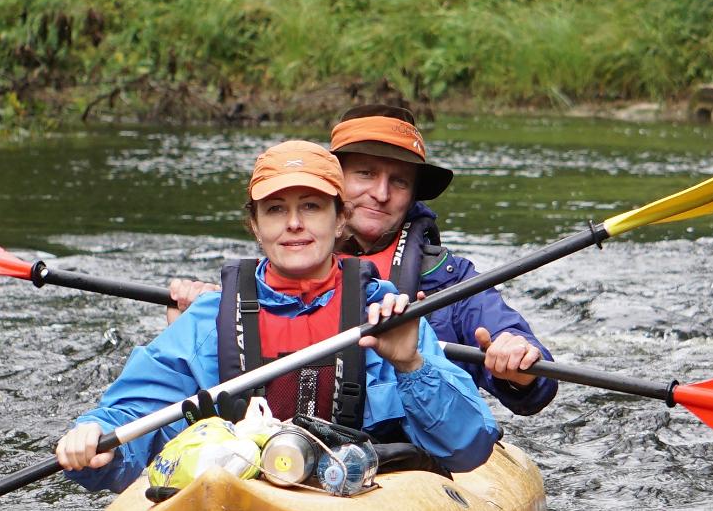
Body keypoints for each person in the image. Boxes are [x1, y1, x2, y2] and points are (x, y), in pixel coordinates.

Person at [56, 140, 498, 493]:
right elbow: (132, 413)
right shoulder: (210, 318)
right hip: (241, 494)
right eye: (275, 209)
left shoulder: (383, 314)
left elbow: (468, 448)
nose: (294, 224)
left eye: (310, 206)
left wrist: (412, 365)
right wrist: (97, 440)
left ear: (340, 218)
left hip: (357, 496)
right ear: (255, 224)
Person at [168, 106, 558, 416]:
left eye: (399, 181)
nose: (381, 193)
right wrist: (205, 318)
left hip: (410, 458)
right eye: (366, 174)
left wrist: (517, 362)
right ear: (333, 185)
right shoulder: (276, 268)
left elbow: (536, 389)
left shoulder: (450, 280)